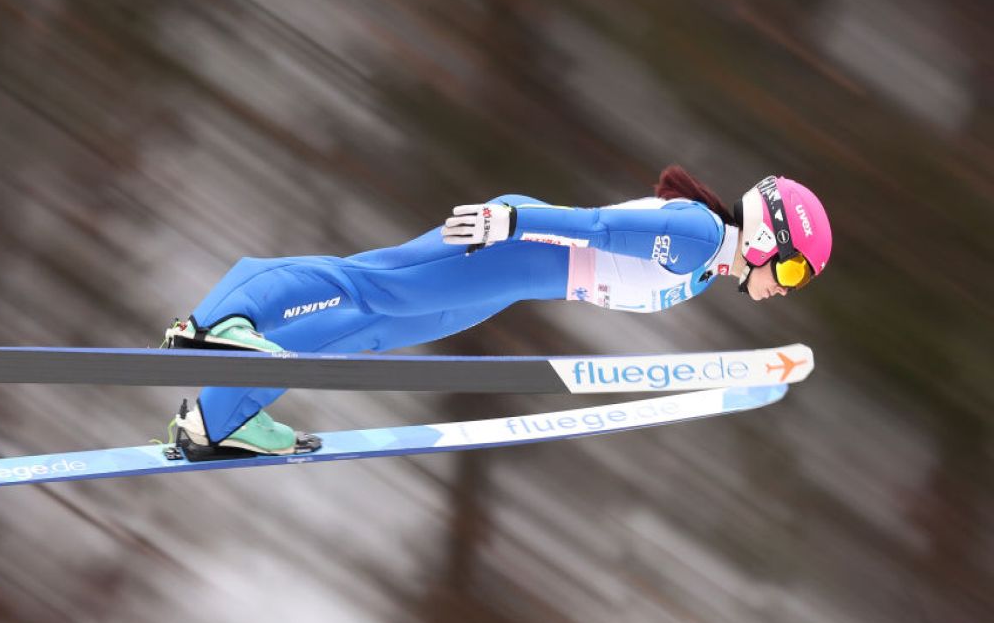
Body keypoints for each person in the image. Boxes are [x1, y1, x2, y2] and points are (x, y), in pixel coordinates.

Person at [161, 166, 832, 455]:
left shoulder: (708, 263)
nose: (787, 285)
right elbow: (595, 226)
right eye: (795, 269)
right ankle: (222, 316)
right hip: (509, 250)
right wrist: (509, 219)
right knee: (368, 285)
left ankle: (218, 419)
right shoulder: (700, 236)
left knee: (371, 328)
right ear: (770, 238)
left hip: (516, 279)